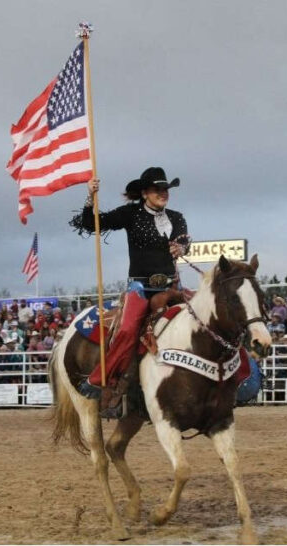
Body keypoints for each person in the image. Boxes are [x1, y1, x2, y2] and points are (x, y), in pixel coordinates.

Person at [70, 167, 190, 418]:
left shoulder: (177, 217)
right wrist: (90, 197)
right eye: (158, 190)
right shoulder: (130, 214)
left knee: (206, 311)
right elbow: (91, 224)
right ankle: (103, 381)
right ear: (145, 193)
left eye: (166, 189)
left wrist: (181, 247)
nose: (163, 194)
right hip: (139, 287)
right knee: (126, 330)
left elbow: (184, 240)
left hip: (170, 287)